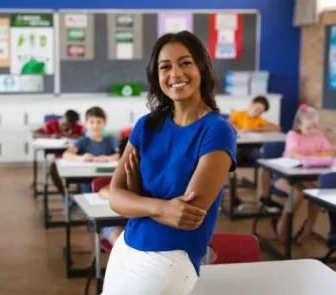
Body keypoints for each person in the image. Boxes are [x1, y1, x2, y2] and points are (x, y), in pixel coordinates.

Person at [101, 31, 236, 295]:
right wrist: (161, 206)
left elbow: (186, 216)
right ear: (156, 76)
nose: (176, 73)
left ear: (202, 68)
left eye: (185, 63)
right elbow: (116, 198)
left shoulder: (217, 131)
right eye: (165, 67)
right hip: (126, 249)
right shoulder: (146, 126)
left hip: (169, 258)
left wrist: (137, 199)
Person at [271, 104, 335, 244]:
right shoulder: (293, 135)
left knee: (316, 194)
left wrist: (311, 156)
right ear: (299, 125)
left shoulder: (319, 136)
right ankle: (282, 226)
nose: (313, 131)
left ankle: (308, 228)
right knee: (297, 194)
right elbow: (295, 154)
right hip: (284, 177)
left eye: (315, 127)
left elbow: (331, 151)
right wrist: (318, 155)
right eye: (309, 128)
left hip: (307, 177)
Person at [229, 96, 281, 209]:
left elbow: (277, 129)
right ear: (251, 104)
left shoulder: (258, 120)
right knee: (229, 164)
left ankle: (265, 197)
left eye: (260, 112)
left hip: (251, 151)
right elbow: (227, 126)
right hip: (236, 149)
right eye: (256, 109)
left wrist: (257, 129)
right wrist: (240, 130)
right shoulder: (238, 115)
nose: (257, 113)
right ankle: (235, 197)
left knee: (268, 164)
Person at [34, 110, 85, 195]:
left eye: (70, 127)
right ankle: (63, 194)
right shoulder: (52, 124)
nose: (66, 128)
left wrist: (79, 136)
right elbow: (36, 133)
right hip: (59, 158)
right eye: (64, 124)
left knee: (82, 170)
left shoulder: (78, 127)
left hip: (75, 157)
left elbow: (88, 134)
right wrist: (50, 136)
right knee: (53, 169)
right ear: (62, 119)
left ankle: (77, 196)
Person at [97, 137, 129, 245]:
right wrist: (125, 198)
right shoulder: (123, 175)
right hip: (118, 224)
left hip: (145, 223)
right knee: (119, 239)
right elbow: (103, 191)